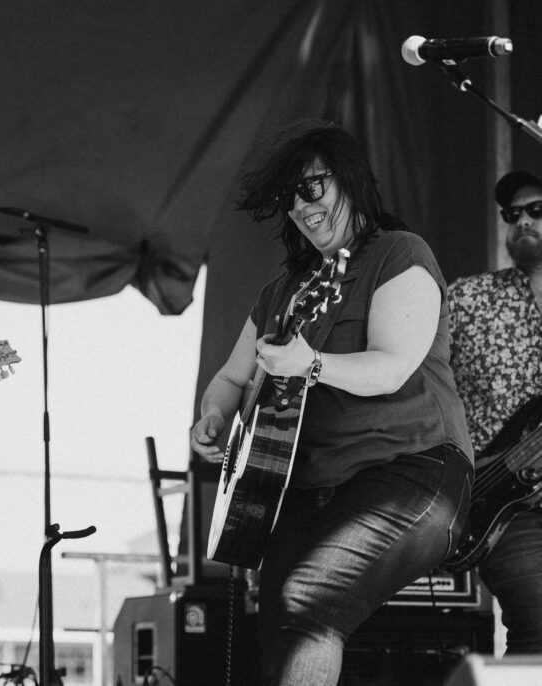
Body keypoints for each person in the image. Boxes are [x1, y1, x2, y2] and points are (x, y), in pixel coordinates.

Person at [189, 122, 473, 685]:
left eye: (312, 187)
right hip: (304, 490)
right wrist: (215, 414)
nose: (299, 206)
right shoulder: (279, 292)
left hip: (412, 469)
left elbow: (392, 367)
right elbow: (229, 376)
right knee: (277, 636)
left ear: (350, 182)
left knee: (309, 598)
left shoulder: (400, 253)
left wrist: (310, 365)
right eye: (288, 198)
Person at [447, 170, 542, 654]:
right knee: (538, 618)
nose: (522, 220)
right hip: (501, 504)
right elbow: (417, 388)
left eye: (537, 210)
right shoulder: (467, 299)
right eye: (513, 214)